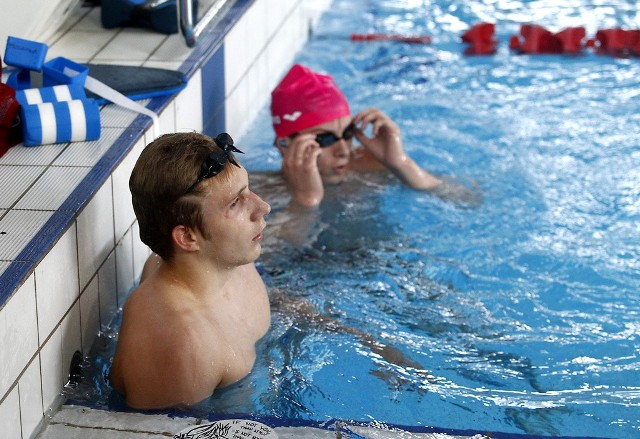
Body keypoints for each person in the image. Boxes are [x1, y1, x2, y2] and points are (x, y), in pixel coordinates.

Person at [109, 132, 271, 410]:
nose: (262, 207)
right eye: (235, 203)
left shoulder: (231, 259)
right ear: (187, 238)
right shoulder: (178, 345)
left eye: (248, 190)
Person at [270, 63, 448, 208]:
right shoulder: (264, 193)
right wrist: (305, 202)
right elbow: (273, 251)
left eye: (348, 133)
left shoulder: (371, 167)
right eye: (325, 139)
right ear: (284, 145)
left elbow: (464, 199)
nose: (343, 151)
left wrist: (401, 164)